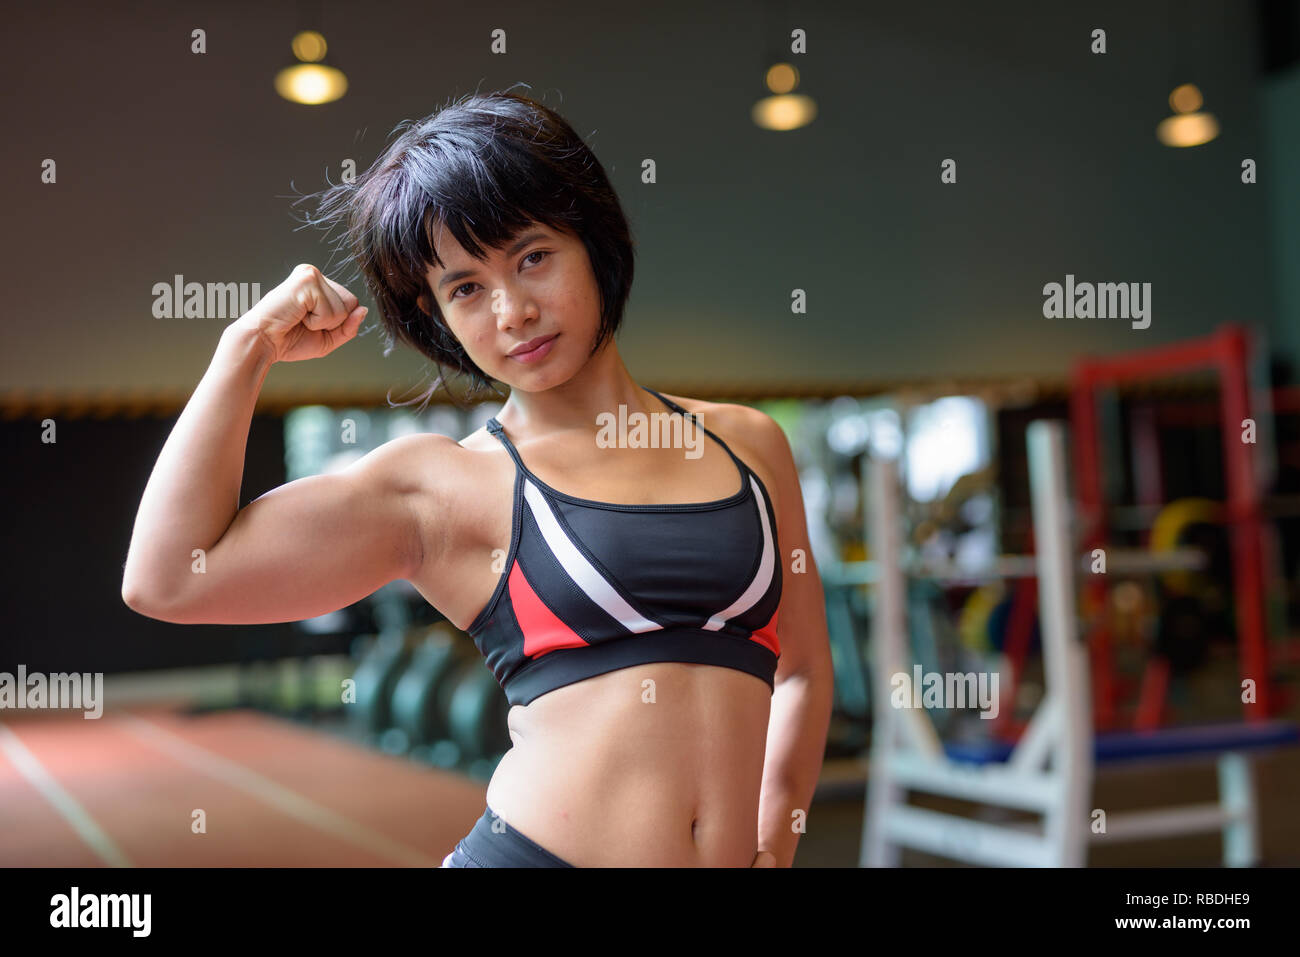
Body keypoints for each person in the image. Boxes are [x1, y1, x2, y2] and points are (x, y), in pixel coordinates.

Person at [121, 89, 834, 867]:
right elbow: (166, 577)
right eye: (465, 287)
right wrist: (247, 345)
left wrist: (775, 836)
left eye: (532, 256)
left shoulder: (748, 445)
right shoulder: (442, 488)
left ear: (594, 242)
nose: (512, 310)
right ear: (439, 318)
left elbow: (800, 671)